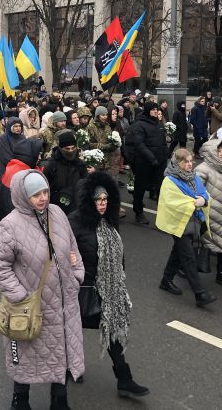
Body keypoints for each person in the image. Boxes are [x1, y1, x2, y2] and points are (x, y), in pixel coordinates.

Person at [0, 170, 85, 410]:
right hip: (31, 308)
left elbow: (73, 245)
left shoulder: (57, 213)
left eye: (45, 192)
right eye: (35, 195)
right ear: (23, 195)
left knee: (62, 352)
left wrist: (76, 275)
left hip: (64, 304)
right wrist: (21, 297)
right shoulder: (10, 225)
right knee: (25, 354)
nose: (42, 198)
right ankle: (20, 400)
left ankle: (59, 401)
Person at [68, 171, 149, 400]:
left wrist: (118, 278)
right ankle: (68, 370)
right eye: (98, 201)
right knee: (71, 331)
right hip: (82, 290)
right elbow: (60, 252)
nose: (102, 205)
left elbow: (117, 252)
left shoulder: (110, 221)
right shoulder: (74, 222)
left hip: (109, 290)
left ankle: (124, 379)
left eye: (105, 200)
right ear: (89, 201)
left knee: (112, 329)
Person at [155, 148, 217, 307]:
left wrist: (203, 199)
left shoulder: (193, 176)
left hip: (193, 222)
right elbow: (170, 203)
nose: (190, 164)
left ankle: (166, 280)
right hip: (178, 224)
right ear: (178, 163)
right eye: (186, 161)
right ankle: (200, 294)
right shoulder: (169, 180)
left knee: (178, 252)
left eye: (191, 161)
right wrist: (194, 202)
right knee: (188, 258)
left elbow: (204, 193)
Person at [194, 139, 222, 288]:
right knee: (199, 244)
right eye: (218, 151)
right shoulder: (201, 169)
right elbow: (196, 193)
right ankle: (184, 270)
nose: (220, 154)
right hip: (207, 216)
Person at [125, 102, 167, 225]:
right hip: (144, 163)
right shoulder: (139, 125)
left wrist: (165, 155)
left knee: (161, 189)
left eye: (156, 109)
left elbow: (162, 142)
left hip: (159, 163)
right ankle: (138, 212)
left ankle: (164, 217)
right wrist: (152, 158)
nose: (155, 111)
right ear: (148, 110)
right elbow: (139, 144)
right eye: (153, 109)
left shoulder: (158, 124)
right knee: (140, 188)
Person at [41, 130, 89, 215]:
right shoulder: (51, 165)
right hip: (55, 209)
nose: (70, 151)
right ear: (60, 148)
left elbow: (85, 185)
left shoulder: (80, 164)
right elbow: (45, 189)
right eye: (67, 149)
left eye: (73, 148)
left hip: (76, 208)